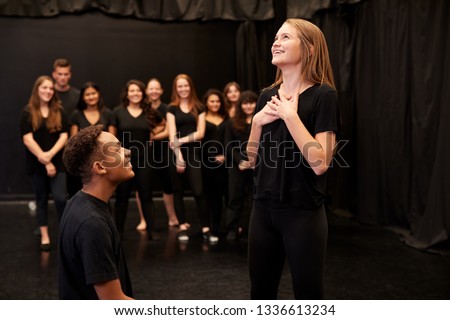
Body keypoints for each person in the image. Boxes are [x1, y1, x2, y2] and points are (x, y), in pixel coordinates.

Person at [246, 18, 340, 299]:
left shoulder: (324, 95)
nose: (275, 42)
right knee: (260, 295)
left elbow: (321, 163)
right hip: (262, 212)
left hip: (303, 215)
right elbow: (250, 160)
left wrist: (290, 116)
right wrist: (256, 122)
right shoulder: (266, 97)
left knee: (308, 297)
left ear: (309, 48)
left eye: (285, 37)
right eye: (276, 37)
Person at [59, 125, 134, 299]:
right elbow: (114, 302)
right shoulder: (93, 224)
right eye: (116, 150)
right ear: (100, 167)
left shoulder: (79, 202)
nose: (128, 151)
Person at [166, 74, 218, 244]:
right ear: (176, 89)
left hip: (193, 152)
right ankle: (182, 227)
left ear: (190, 87)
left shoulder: (199, 107)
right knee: (178, 191)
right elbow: (172, 135)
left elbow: (200, 133)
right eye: (179, 86)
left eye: (186, 86)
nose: (183, 89)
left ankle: (205, 229)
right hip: (176, 153)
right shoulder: (171, 109)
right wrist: (178, 156)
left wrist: (180, 141)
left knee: (199, 191)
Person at [19, 75, 68, 251]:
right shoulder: (28, 112)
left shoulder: (58, 110)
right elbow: (27, 139)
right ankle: (45, 237)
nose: (48, 91)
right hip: (37, 164)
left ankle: (65, 235)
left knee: (61, 199)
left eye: (50, 88)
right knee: (41, 200)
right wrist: (45, 160)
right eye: (44, 88)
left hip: (58, 162)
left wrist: (51, 155)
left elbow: (64, 135)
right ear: (37, 90)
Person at [109, 79, 161, 240]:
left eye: (138, 90)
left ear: (143, 93)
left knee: (146, 195)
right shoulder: (117, 112)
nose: (135, 93)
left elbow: (163, 125)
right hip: (124, 161)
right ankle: (118, 232)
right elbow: (111, 136)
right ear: (127, 93)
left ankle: (152, 230)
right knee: (122, 197)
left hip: (144, 159)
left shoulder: (149, 111)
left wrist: (154, 135)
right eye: (132, 91)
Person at [134, 78, 179, 231]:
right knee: (142, 187)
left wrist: (153, 136)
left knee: (167, 184)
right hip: (143, 152)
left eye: (156, 88)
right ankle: (143, 219)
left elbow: (167, 130)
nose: (153, 91)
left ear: (161, 91)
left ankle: (172, 217)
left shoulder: (167, 108)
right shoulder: (142, 107)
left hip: (161, 151)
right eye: (150, 88)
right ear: (146, 91)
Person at [67, 81, 112, 196]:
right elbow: (73, 142)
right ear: (82, 97)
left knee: (102, 195)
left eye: (93, 93)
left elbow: (112, 141)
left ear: (99, 94)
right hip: (83, 163)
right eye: (87, 94)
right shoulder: (76, 115)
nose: (91, 97)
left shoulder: (107, 114)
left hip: (103, 162)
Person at [224, 90, 257, 241]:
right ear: (240, 105)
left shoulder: (260, 121)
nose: (249, 106)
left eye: (251, 102)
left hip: (256, 164)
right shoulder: (232, 122)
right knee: (235, 197)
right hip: (238, 165)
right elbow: (229, 145)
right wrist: (240, 162)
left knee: (254, 198)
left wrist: (254, 162)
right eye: (245, 103)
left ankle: (252, 228)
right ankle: (232, 228)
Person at [201, 89, 229, 235]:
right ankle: (206, 226)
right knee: (206, 194)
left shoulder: (226, 118)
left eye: (218, 101)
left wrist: (225, 156)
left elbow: (229, 140)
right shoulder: (201, 118)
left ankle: (216, 227)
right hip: (205, 162)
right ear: (206, 102)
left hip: (222, 163)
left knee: (218, 195)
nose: (215, 104)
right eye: (212, 101)